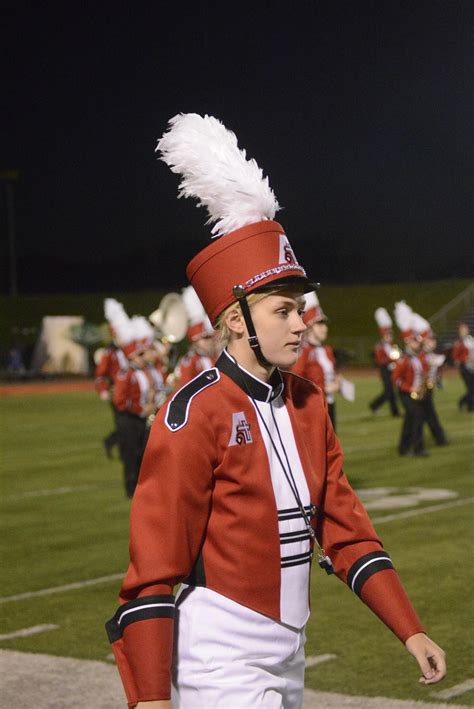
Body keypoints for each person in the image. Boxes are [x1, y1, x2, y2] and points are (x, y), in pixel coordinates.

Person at [106, 113, 446, 708]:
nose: (301, 323)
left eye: (300, 309)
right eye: (284, 311)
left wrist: (409, 627)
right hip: (219, 654)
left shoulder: (308, 402)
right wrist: (152, 696)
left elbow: (344, 528)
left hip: (290, 650)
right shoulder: (196, 411)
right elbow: (154, 566)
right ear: (236, 320)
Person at [113, 315, 166, 498]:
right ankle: (131, 489)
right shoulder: (125, 372)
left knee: (146, 453)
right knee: (131, 454)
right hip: (130, 419)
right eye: (141, 354)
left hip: (147, 417)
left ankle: (147, 486)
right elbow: (120, 400)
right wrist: (140, 409)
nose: (145, 356)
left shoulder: (149, 370)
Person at [291, 291, 340, 430]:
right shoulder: (303, 352)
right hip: (312, 406)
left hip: (329, 403)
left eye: (325, 324)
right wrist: (325, 388)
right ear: (310, 326)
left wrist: (337, 381)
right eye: (320, 324)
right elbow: (296, 381)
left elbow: (330, 373)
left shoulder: (327, 350)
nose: (325, 328)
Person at [391, 303, 430, 457]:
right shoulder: (403, 360)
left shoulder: (419, 357)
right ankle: (417, 448)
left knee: (410, 420)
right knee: (416, 418)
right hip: (406, 394)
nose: (418, 343)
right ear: (408, 342)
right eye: (415, 341)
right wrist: (410, 389)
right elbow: (396, 380)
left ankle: (403, 447)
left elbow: (423, 373)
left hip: (417, 392)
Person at [94, 299, 130, 458]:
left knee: (131, 424)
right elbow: (100, 374)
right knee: (123, 425)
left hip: (132, 390)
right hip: (117, 392)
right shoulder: (109, 353)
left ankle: (115, 444)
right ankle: (123, 452)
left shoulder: (131, 349)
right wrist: (103, 391)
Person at [173, 285, 219, 388]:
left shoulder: (214, 356)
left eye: (210, 337)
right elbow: (184, 387)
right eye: (205, 338)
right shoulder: (190, 360)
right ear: (195, 341)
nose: (210, 341)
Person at [369, 307, 400, 417]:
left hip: (392, 369)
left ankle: (394, 412)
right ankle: (374, 405)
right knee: (389, 391)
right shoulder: (380, 346)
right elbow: (379, 360)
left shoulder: (392, 345)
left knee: (391, 392)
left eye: (391, 335)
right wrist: (389, 360)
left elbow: (396, 356)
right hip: (385, 369)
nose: (390, 337)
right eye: (388, 335)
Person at [420, 329, 449, 446]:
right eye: (431, 340)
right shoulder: (421, 354)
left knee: (427, 414)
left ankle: (439, 438)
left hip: (428, 388)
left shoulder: (432, 355)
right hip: (421, 388)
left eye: (434, 341)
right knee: (425, 415)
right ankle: (439, 438)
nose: (434, 343)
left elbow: (437, 369)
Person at [451, 321, 474, 412]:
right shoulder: (458, 342)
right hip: (465, 367)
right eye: (462, 329)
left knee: (472, 388)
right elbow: (455, 357)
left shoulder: (471, 339)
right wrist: (466, 359)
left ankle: (462, 402)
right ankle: (470, 407)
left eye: (465, 329)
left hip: (472, 366)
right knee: (471, 388)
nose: (464, 331)